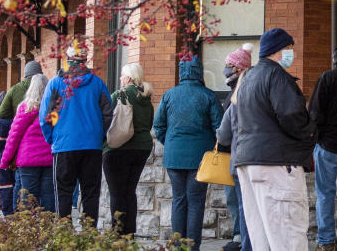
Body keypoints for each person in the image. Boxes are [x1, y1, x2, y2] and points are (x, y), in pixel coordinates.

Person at [234, 28, 314, 251]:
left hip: (247, 161)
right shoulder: (277, 76)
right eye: (289, 48)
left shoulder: (248, 77)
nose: (291, 53)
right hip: (277, 163)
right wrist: (310, 134)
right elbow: (292, 115)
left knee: (262, 238)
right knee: (289, 235)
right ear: (278, 50)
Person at [153, 55, 223, 251]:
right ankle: (192, 247)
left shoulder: (169, 95)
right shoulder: (208, 95)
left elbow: (158, 125)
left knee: (178, 200)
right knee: (196, 202)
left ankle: (177, 246)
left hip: (174, 156)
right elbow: (219, 126)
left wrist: (170, 143)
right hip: (200, 158)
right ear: (199, 70)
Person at [40, 42, 113, 224]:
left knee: (63, 193)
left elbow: (48, 118)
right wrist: (98, 135)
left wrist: (53, 138)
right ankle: (88, 234)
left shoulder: (57, 84)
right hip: (91, 146)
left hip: (64, 145)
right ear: (85, 60)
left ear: (68, 60)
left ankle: (65, 235)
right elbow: (108, 115)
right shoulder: (97, 84)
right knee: (90, 193)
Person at [308, 44, 337, 251]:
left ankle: (325, 242)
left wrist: (315, 138)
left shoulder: (326, 78)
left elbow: (315, 113)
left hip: (327, 146)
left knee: (325, 195)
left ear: (333, 60)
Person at [103, 63, 155, 235]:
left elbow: (105, 120)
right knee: (129, 191)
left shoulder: (120, 94)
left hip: (119, 149)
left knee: (117, 193)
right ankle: (129, 235)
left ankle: (117, 234)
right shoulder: (146, 97)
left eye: (122, 75)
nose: (119, 78)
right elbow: (149, 124)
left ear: (129, 77)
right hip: (142, 148)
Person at [216, 44, 254, 251]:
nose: (225, 68)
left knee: (240, 202)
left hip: (238, 155)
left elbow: (224, 133)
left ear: (239, 69)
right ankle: (242, 238)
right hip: (251, 155)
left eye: (229, 65)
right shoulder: (243, 89)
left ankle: (242, 239)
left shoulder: (237, 95)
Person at [0, 73, 55, 212]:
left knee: (28, 197)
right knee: (48, 197)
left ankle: (29, 230)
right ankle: (48, 228)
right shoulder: (54, 110)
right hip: (49, 158)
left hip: (28, 159)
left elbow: (14, 136)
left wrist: (5, 160)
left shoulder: (26, 108)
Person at [0, 91, 15, 215]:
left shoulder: (1, 122)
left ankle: (7, 212)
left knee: (4, 186)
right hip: (16, 158)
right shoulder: (17, 118)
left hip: (2, 158)